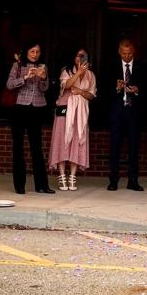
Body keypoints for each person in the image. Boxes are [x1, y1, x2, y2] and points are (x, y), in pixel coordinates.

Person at [6, 42, 53, 194]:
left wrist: (44, 77)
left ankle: (42, 185)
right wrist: (26, 77)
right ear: (26, 52)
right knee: (18, 146)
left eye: (37, 51)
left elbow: (44, 89)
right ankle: (20, 185)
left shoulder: (43, 66)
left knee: (37, 147)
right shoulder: (17, 66)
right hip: (20, 108)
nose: (35, 54)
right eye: (32, 51)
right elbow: (9, 85)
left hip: (37, 108)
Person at [49, 48, 96, 191]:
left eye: (83, 56)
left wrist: (81, 91)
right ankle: (62, 176)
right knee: (63, 141)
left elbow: (91, 95)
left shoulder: (91, 75)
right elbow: (67, 85)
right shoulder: (66, 71)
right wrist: (78, 73)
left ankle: (72, 177)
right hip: (65, 110)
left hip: (81, 113)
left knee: (77, 141)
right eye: (77, 55)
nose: (80, 58)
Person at [109, 38, 146, 191]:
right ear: (119, 52)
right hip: (117, 111)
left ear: (133, 52)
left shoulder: (141, 67)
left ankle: (133, 180)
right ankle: (113, 180)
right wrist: (117, 88)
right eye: (124, 54)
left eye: (129, 53)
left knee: (133, 147)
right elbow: (104, 91)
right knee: (115, 146)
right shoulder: (111, 67)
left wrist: (136, 90)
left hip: (133, 112)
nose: (126, 56)